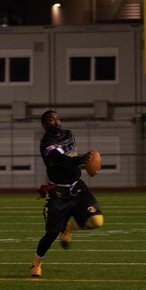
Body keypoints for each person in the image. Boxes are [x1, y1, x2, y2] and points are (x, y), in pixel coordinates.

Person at [31, 110, 104, 278]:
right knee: (51, 234)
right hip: (58, 192)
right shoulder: (46, 143)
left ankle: (69, 227)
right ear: (44, 124)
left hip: (78, 188)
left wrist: (81, 161)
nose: (56, 122)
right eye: (51, 120)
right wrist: (81, 160)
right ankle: (36, 263)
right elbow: (60, 159)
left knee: (97, 221)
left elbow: (70, 156)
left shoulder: (69, 134)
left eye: (58, 119)